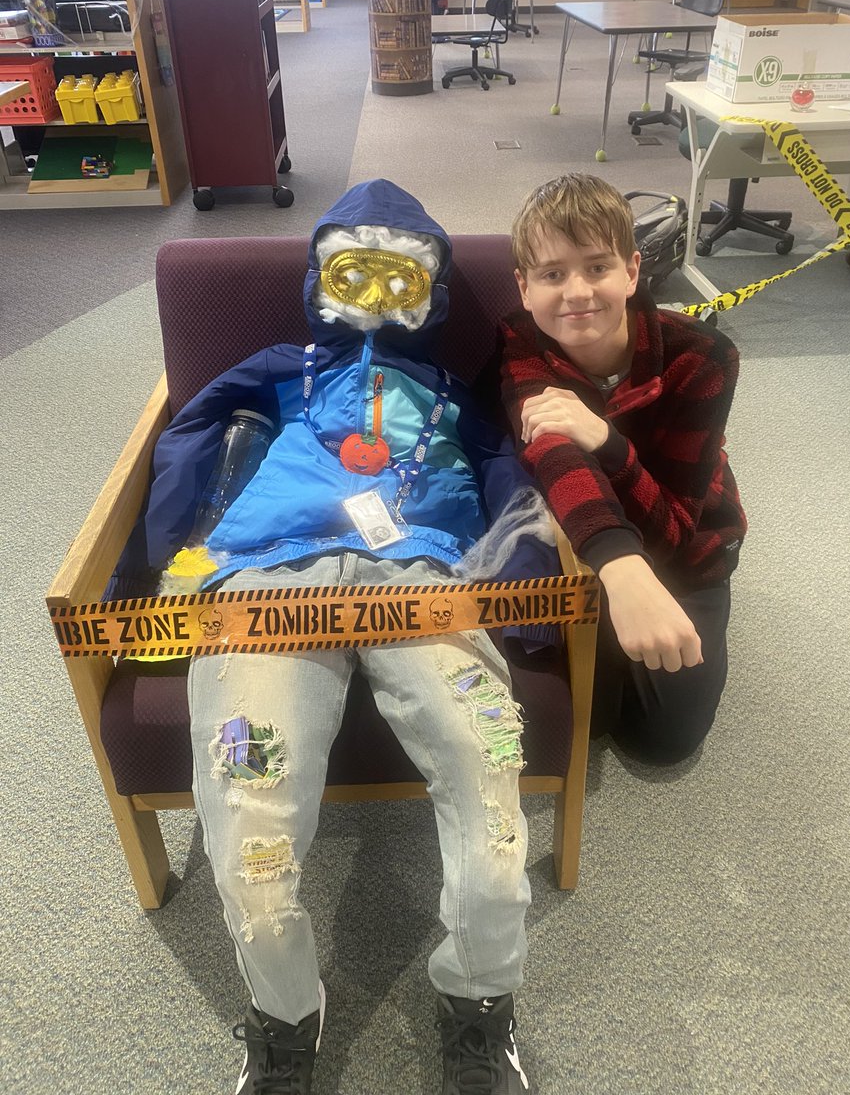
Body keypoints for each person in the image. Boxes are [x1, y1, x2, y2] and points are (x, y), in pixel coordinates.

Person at [118, 180, 556, 1095]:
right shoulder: (284, 366)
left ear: (430, 291)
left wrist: (520, 598)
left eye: (401, 277)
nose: (376, 295)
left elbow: (511, 476)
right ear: (322, 277)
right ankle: (283, 1020)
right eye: (355, 271)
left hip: (425, 573)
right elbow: (193, 430)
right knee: (250, 829)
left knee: (492, 802)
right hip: (273, 573)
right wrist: (149, 560)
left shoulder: (453, 394)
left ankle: (479, 1007)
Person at [497, 173, 747, 763]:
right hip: (600, 541)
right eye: (552, 274)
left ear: (632, 272)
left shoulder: (703, 357)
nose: (577, 291)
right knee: (590, 719)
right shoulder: (520, 339)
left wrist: (609, 444)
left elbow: (676, 531)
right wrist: (619, 565)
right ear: (525, 288)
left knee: (662, 741)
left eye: (597, 267)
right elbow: (555, 459)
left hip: (690, 549)